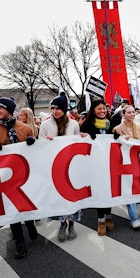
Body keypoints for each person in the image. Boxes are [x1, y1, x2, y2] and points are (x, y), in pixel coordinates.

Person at [0, 97, 38, 258]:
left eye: (1, 108)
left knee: (26, 205)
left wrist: (32, 143)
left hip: (25, 175)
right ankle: (19, 243)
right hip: (5, 177)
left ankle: (30, 224)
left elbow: (37, 152)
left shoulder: (25, 128)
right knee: (12, 210)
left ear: (9, 110)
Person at [39, 94, 83, 241]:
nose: (55, 110)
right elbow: (40, 146)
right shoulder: (45, 125)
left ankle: (72, 224)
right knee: (60, 196)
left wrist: (83, 138)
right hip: (55, 166)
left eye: (58, 108)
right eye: (52, 108)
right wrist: (46, 142)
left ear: (64, 109)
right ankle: (62, 223)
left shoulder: (74, 124)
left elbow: (77, 143)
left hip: (72, 165)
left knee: (73, 195)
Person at [112, 104, 140, 229]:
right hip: (125, 163)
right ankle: (134, 218)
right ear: (123, 115)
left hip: (138, 160)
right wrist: (121, 139)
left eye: (133, 112)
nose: (132, 114)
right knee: (130, 189)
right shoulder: (117, 129)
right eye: (129, 112)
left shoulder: (138, 127)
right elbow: (113, 145)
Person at [81, 99, 116, 236]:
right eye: (99, 109)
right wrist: (85, 137)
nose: (102, 111)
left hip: (109, 163)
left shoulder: (110, 123)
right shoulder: (86, 125)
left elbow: (115, 139)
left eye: (104, 109)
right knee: (99, 192)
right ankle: (101, 220)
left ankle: (108, 217)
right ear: (93, 111)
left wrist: (117, 136)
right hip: (95, 165)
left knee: (109, 191)